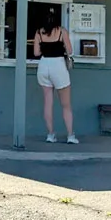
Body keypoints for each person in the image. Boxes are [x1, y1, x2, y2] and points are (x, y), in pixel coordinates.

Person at [33, 9, 78, 144]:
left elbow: (36, 53)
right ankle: (70, 135)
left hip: (44, 65)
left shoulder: (38, 32)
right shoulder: (62, 31)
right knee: (66, 105)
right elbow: (70, 51)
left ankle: (50, 134)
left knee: (48, 103)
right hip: (58, 65)